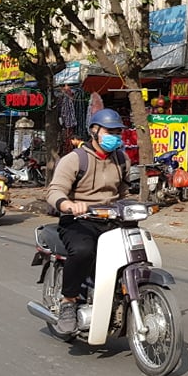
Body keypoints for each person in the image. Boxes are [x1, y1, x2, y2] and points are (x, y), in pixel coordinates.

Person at [46, 108, 129, 334]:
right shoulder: (75, 159)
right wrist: (68, 205)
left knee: (134, 252)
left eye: (118, 132)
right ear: (94, 131)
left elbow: (123, 193)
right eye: (110, 132)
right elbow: (54, 191)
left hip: (111, 219)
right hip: (79, 220)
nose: (115, 137)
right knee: (83, 251)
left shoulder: (122, 159)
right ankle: (68, 302)